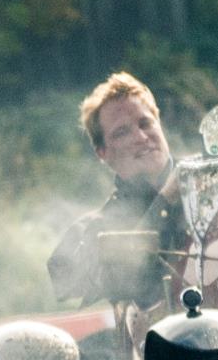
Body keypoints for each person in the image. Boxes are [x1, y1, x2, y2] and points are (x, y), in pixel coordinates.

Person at [48, 72, 186, 306]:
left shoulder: (209, 180)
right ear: (102, 152)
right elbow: (123, 279)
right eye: (122, 132)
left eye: (145, 123)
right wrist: (165, 201)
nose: (141, 137)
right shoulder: (99, 227)